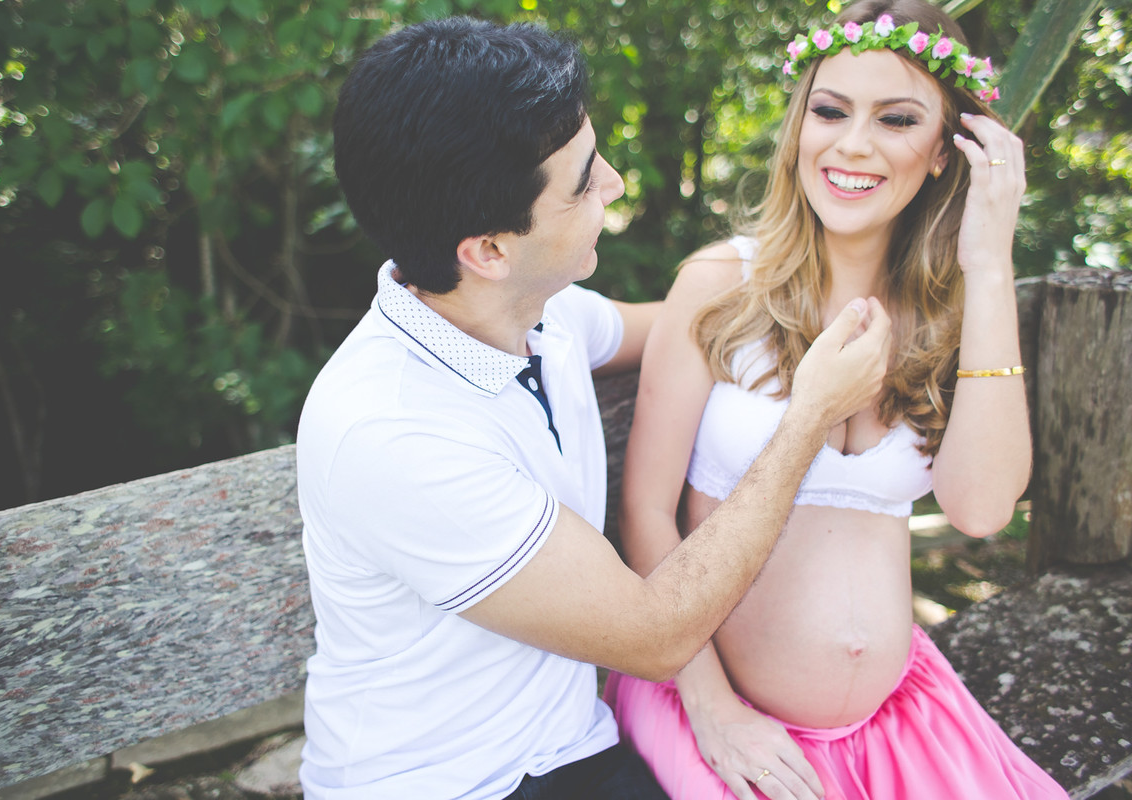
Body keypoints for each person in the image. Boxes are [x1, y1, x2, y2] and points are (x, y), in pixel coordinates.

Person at [295, 16, 895, 800]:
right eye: (583, 182)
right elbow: (656, 633)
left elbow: (690, 321)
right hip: (442, 783)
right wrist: (809, 416)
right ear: (489, 250)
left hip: (573, 750)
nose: (612, 183)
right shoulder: (392, 430)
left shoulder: (542, 313)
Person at [603, 1, 1069, 799]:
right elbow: (645, 513)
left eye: (896, 119)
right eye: (830, 111)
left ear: (943, 151)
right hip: (714, 711)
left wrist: (990, 263)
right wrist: (712, 708)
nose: (853, 144)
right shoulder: (719, 286)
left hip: (900, 724)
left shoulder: (952, 314)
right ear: (800, 128)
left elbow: (983, 510)